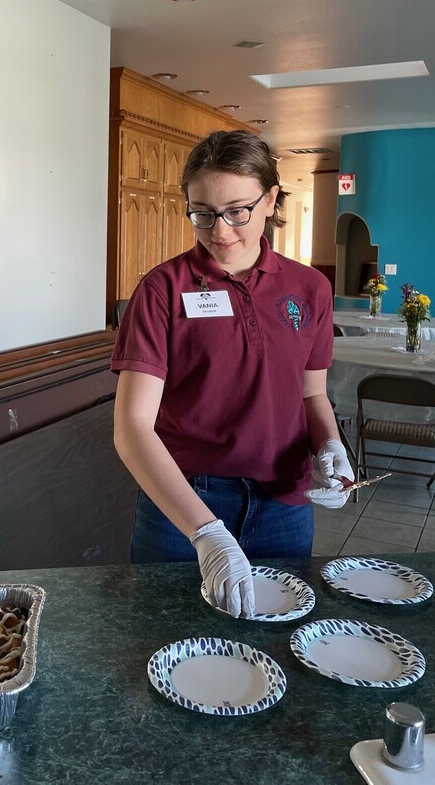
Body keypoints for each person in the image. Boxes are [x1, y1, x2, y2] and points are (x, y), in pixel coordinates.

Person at [111, 130, 353, 618]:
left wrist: (330, 446)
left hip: (284, 503)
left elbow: (311, 395)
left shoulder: (310, 288)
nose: (220, 231)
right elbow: (132, 427)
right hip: (185, 502)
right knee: (165, 635)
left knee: (278, 640)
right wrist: (206, 532)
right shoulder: (162, 290)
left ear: (271, 200)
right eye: (203, 213)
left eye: (237, 211)